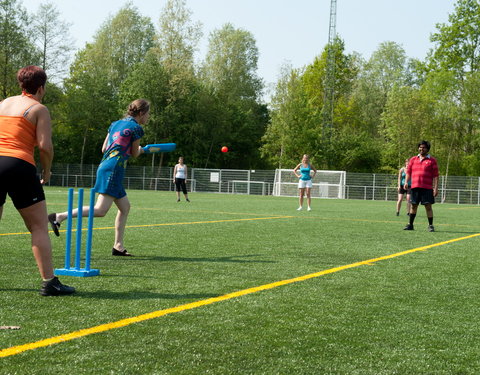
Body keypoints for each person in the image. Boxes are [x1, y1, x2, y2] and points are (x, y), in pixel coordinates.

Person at [0, 66, 75, 296]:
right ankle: (49, 282)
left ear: (21, 84)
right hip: (19, 164)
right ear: (41, 87)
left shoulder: (3, 104)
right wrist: (47, 170)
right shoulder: (38, 108)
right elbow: (45, 146)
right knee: (38, 226)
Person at [49, 99, 150, 256]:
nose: (148, 117)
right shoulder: (136, 128)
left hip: (106, 166)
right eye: (148, 114)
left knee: (125, 207)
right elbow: (135, 154)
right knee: (100, 210)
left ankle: (118, 246)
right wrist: (143, 150)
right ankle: (59, 216)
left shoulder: (115, 124)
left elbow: (104, 148)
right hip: (114, 169)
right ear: (142, 113)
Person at [403, 140, 439, 232]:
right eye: (420, 147)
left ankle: (430, 225)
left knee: (428, 206)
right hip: (415, 187)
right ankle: (410, 225)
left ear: (427, 149)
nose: (421, 149)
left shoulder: (432, 160)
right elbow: (408, 172)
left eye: (424, 147)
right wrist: (406, 182)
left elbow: (435, 175)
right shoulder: (413, 159)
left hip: (427, 188)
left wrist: (435, 188)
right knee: (413, 206)